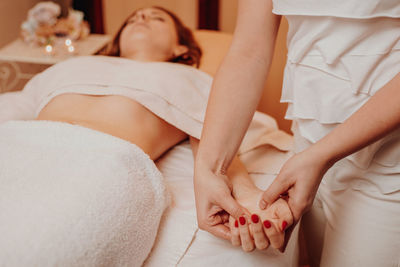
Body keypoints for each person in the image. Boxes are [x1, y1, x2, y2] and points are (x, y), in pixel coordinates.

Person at [0, 6, 292, 266]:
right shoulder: (69, 66)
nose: (141, 18)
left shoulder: (194, 79)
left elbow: (213, 140)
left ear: (181, 48)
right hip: (24, 145)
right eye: (134, 18)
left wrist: (248, 195)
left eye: (156, 18)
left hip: (102, 162)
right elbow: (14, 107)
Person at [194, 0, 400, 266]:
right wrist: (210, 169)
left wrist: (322, 155)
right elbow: (249, 49)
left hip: (388, 160)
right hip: (306, 147)